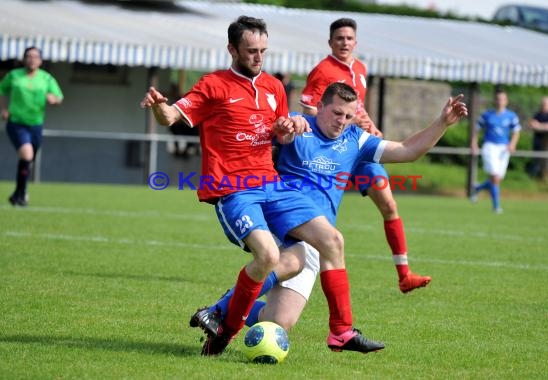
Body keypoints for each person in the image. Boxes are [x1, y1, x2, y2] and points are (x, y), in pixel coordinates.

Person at [140, 16, 383, 356]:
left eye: (263, 51)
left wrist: (289, 127)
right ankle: (223, 330)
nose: (258, 57)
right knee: (268, 256)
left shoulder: (273, 88)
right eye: (251, 51)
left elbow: (279, 134)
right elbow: (169, 118)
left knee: (331, 240)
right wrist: (159, 107)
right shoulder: (213, 85)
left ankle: (341, 333)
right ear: (232, 49)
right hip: (233, 189)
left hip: (273, 185)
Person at [192, 83, 467, 334]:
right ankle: (221, 310)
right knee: (289, 260)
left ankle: (234, 300)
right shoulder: (297, 128)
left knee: (277, 323)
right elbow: (254, 141)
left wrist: (442, 123)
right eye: (337, 113)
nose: (342, 122)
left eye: (348, 117)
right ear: (320, 106)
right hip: (283, 224)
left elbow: (408, 150)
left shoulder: (356, 140)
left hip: (318, 239)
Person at [300, 17, 431, 292]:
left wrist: (370, 125)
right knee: (320, 220)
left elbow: (357, 110)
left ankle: (404, 274)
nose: (344, 42)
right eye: (339, 38)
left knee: (389, 204)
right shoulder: (321, 71)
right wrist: (344, 122)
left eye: (349, 38)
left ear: (355, 42)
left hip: (358, 148)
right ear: (330, 42)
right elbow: (310, 111)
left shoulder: (360, 69)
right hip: (334, 150)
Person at [0, 46, 63, 207]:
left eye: (35, 57)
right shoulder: (14, 76)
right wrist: (4, 109)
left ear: (41, 61)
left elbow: (59, 97)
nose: (32, 59)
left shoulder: (46, 78)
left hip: (36, 125)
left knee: (29, 159)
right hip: (16, 123)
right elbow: (1, 91)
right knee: (27, 155)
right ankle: (21, 195)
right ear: (23, 59)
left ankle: (17, 194)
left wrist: (53, 100)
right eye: (28, 56)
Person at [470, 88, 521, 213]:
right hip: (490, 146)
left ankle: (478, 188)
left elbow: (516, 131)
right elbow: (476, 129)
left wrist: (512, 144)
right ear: (494, 101)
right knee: (494, 176)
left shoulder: (511, 116)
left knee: (497, 179)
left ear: (506, 101)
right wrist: (473, 143)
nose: (500, 101)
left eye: (502, 99)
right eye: (498, 99)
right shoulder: (487, 115)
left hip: (504, 149)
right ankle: (496, 207)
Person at [526, 96, 548, 178]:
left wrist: (539, 126)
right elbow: (531, 123)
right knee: (536, 160)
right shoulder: (538, 114)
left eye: (545, 104)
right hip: (538, 141)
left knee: (546, 161)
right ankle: (534, 177)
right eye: (543, 104)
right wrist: (532, 124)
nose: (543, 106)